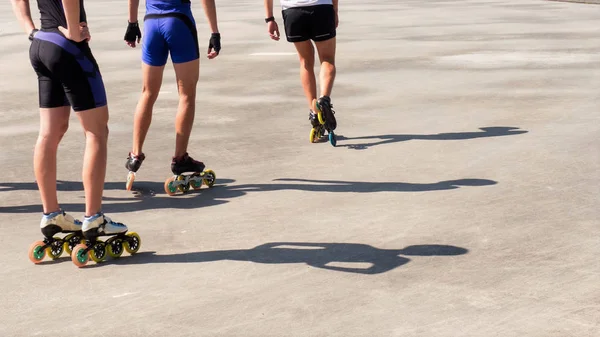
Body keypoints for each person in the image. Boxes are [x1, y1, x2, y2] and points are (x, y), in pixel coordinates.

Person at [11, 0, 129, 263]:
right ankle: (94, 218)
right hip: (67, 47)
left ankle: (51, 214)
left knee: (49, 133)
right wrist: (74, 31)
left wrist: (31, 31)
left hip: (41, 43)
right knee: (96, 132)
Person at [123, 0, 222, 190]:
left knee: (147, 92)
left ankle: (135, 154)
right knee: (186, 94)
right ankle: (180, 158)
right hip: (179, 22)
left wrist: (132, 23)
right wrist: (215, 33)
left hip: (152, 22)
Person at [263, 0, 339, 144]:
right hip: (321, 8)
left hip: (293, 11)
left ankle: (314, 112)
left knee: (305, 62)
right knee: (327, 59)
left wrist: (270, 19)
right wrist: (334, 9)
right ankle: (324, 99)